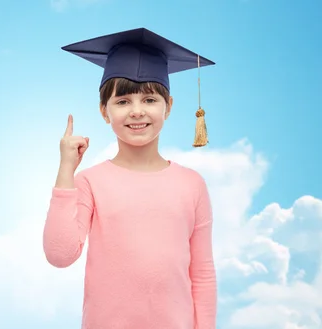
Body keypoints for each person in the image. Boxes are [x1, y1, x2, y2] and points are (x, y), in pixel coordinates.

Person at [42, 28, 217, 329]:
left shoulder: (192, 184)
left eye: (149, 99)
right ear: (104, 111)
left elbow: (202, 273)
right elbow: (60, 255)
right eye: (122, 102)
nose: (137, 111)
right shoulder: (89, 182)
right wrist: (66, 172)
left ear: (169, 106)